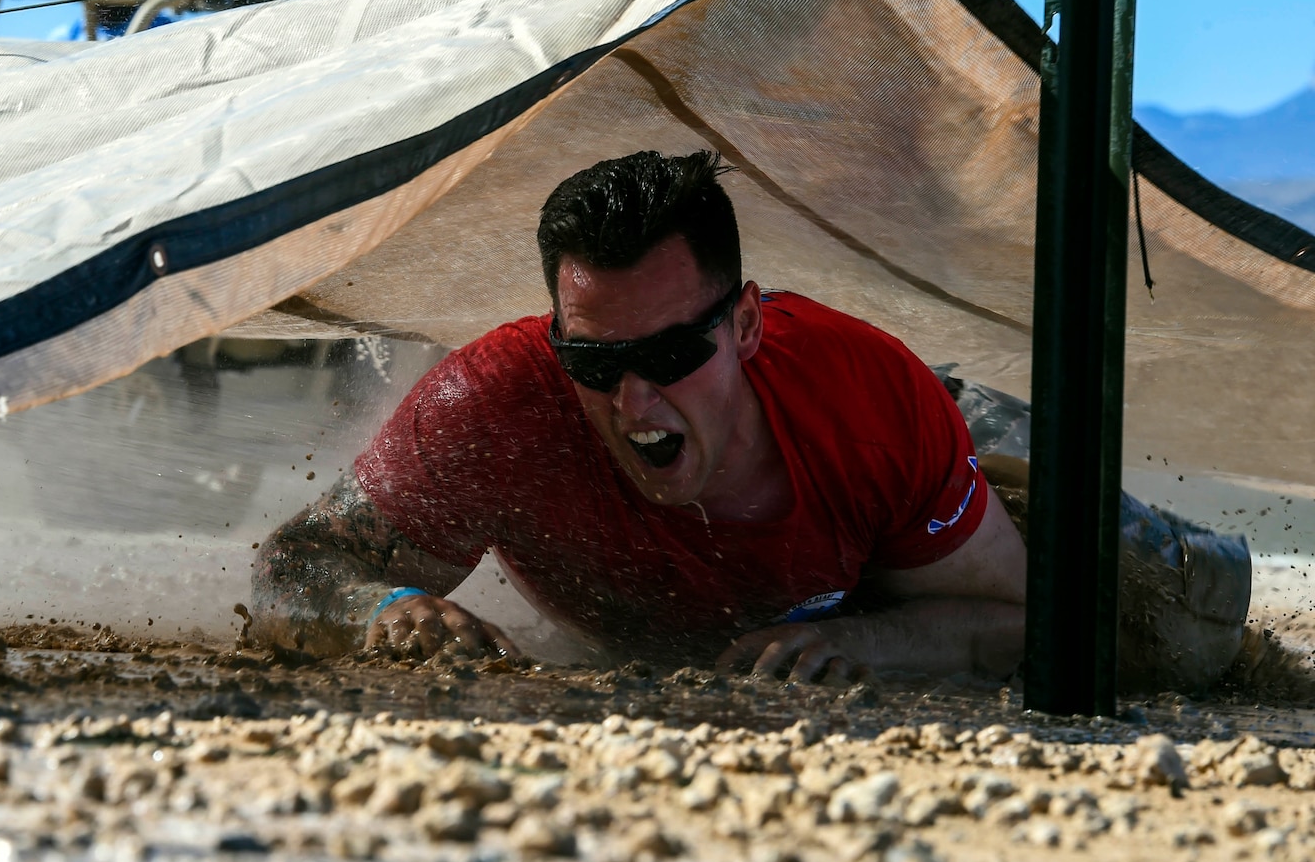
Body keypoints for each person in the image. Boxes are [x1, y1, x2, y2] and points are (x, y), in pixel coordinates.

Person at [251, 149, 1029, 681]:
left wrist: (864, 642)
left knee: (1132, 602)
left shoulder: (872, 404)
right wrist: (383, 610)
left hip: (962, 424)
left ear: (747, 326)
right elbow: (291, 565)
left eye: (670, 356)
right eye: (594, 362)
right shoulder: (496, 405)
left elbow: (1022, 619)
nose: (633, 403)